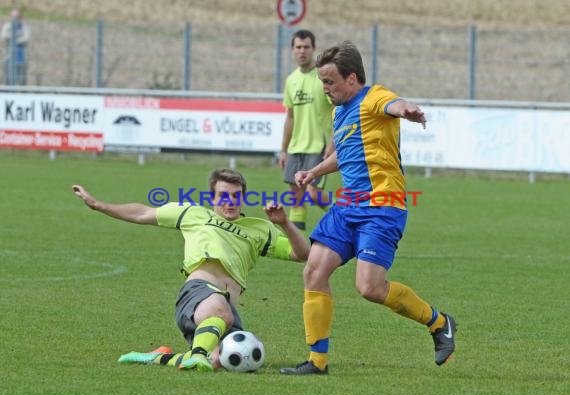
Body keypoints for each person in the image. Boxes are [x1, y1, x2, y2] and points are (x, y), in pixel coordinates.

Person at [280, 41, 457, 375]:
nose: (325, 88)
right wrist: (315, 171)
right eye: (322, 82)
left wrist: (408, 110)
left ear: (352, 78)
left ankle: (439, 322)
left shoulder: (373, 97)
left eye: (330, 81)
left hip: (383, 205)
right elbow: (344, 154)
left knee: (370, 288)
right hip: (349, 204)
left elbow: (395, 104)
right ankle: (317, 362)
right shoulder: (339, 111)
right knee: (314, 271)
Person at [72, 168, 310, 372]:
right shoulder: (193, 214)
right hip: (198, 292)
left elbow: (303, 255)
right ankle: (197, 353)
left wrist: (285, 224)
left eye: (236, 196)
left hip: (227, 307)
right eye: (223, 196)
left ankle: (159, 356)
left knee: (219, 361)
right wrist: (98, 205)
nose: (230, 201)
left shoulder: (260, 229)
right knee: (220, 318)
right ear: (212, 197)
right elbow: (143, 213)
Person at [279, 29, 334, 233]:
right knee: (296, 193)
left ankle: (347, 212)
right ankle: (298, 242)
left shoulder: (323, 78)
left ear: (314, 49)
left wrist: (332, 141)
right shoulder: (291, 80)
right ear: (293, 50)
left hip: (319, 145)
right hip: (296, 146)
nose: (302, 51)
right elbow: (290, 117)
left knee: (312, 193)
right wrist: (283, 150)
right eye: (298, 47)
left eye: (306, 47)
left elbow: (336, 110)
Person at [1, 9, 30, 85]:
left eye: (17, 16)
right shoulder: (7, 26)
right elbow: (4, 36)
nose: (15, 18)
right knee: (8, 79)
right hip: (9, 57)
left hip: (20, 58)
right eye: (13, 16)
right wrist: (15, 38)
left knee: (22, 80)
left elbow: (25, 39)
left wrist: (14, 39)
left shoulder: (24, 27)